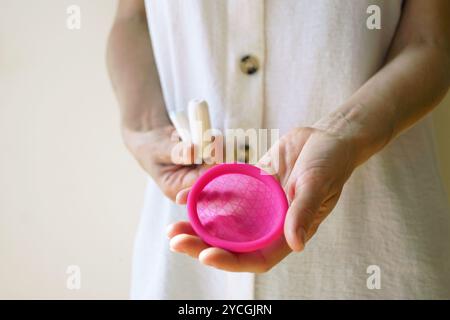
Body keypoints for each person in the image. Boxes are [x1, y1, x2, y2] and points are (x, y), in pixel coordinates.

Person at [107, 0, 450, 299]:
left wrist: (345, 132)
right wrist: (144, 127)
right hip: (184, 273)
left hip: (371, 248)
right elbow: (132, 18)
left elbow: (429, 41)